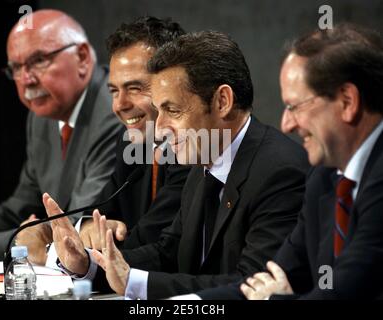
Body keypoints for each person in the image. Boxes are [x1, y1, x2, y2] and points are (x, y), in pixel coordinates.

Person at [44, 30, 310, 299]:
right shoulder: (203, 163)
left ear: (222, 102)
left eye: (172, 111)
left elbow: (253, 286)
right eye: (158, 112)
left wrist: (134, 283)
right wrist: (88, 265)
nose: (159, 130)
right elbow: (166, 253)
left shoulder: (279, 172)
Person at [198, 23, 383, 300]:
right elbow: (264, 280)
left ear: (347, 101)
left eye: (294, 107)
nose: (286, 124)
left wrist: (275, 299)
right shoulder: (323, 178)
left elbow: (345, 295)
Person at [0, 9, 122, 264]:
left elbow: (77, 224)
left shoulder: (115, 110)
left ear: (83, 58)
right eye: (16, 68)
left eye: (38, 60)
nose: (26, 80)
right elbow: (19, 210)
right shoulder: (42, 116)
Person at [47, 16, 190, 260]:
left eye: (135, 88)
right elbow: (98, 214)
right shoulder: (130, 143)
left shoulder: (196, 147)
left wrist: (66, 254)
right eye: (114, 91)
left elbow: (154, 244)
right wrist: (87, 228)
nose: (120, 105)